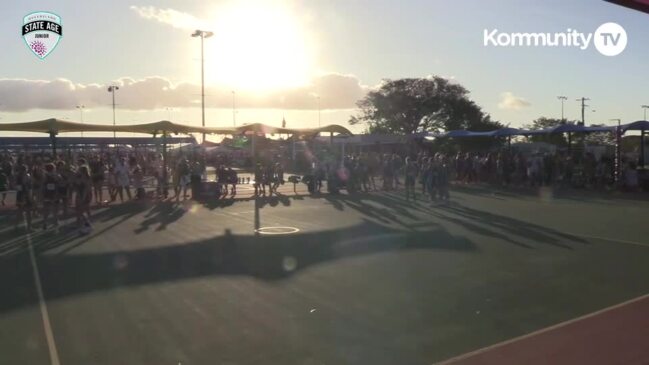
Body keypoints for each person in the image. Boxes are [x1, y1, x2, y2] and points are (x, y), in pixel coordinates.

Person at [41, 163, 61, 230]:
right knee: (55, 209)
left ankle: (45, 223)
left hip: (47, 194)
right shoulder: (56, 175)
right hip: (55, 194)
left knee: (47, 209)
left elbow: (43, 186)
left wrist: (43, 194)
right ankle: (55, 222)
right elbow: (59, 183)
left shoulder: (44, 176)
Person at [14, 165, 33, 231]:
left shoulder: (28, 176)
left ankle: (29, 227)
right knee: (20, 212)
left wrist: (29, 196)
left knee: (28, 212)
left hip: (26, 196)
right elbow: (17, 188)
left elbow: (30, 187)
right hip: (21, 196)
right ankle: (16, 226)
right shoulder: (18, 177)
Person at [74, 165, 93, 231]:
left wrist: (83, 197)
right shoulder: (79, 177)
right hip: (80, 194)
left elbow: (86, 188)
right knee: (79, 209)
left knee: (84, 209)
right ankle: (80, 223)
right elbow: (76, 186)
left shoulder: (86, 178)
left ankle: (88, 223)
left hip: (85, 195)